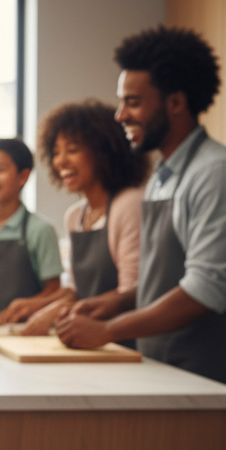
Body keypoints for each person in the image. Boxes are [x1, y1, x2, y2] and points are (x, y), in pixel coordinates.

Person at [57, 26, 226, 406]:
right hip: (161, 365)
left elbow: (206, 290)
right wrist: (117, 303)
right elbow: (165, 280)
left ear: (176, 103)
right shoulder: (160, 178)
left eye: (133, 102)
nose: (120, 114)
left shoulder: (216, 174)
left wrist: (107, 330)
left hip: (208, 374)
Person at [18, 101, 146, 335]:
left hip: (123, 336)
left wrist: (58, 310)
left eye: (72, 150)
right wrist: (39, 307)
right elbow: (77, 290)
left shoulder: (128, 204)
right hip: (87, 337)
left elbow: (131, 292)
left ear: (104, 152)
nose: (60, 161)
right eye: (56, 152)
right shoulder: (75, 216)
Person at [0, 138, 63, 323]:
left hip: (24, 329)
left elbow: (54, 291)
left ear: (23, 176)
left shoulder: (40, 230)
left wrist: (4, 316)